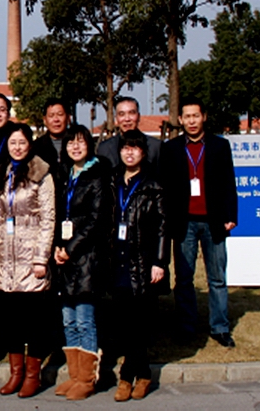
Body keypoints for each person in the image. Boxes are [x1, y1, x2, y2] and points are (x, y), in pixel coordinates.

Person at [159, 96, 238, 348]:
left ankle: (220, 327)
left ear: (203, 117)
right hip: (184, 223)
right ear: (180, 119)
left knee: (217, 278)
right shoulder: (171, 149)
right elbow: (165, 188)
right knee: (184, 279)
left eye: (196, 116)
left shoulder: (219, 146)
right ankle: (186, 326)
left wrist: (231, 216)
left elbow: (229, 183)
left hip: (214, 221)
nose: (192, 121)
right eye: (187, 117)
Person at [0, 123, 55, 398]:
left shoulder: (42, 173)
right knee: (11, 321)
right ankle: (15, 373)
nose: (17, 147)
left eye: (22, 142)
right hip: (7, 259)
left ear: (30, 144)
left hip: (31, 258)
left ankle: (32, 375)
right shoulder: (4, 172)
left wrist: (41, 258)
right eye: (13, 143)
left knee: (34, 321)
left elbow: (48, 218)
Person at [53, 125, 112, 401]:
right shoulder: (65, 174)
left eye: (80, 142)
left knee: (84, 318)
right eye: (70, 143)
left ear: (89, 145)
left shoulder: (97, 175)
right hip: (65, 256)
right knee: (68, 318)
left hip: (87, 256)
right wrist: (58, 247)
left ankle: (88, 378)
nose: (75, 147)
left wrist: (70, 248)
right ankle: (75, 375)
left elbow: (96, 220)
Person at [110, 130, 168, 402]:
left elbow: (163, 226)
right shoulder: (113, 181)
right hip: (118, 260)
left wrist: (160, 261)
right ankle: (143, 374)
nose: (129, 152)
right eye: (125, 148)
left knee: (140, 322)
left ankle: (126, 376)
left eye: (135, 148)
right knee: (124, 322)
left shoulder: (153, 184)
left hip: (142, 261)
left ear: (143, 153)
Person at [97, 96, 161, 174]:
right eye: (121, 114)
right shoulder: (104, 148)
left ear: (138, 116)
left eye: (131, 113)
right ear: (116, 118)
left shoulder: (155, 146)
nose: (127, 119)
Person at [33, 98, 71, 174]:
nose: (56, 119)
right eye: (51, 116)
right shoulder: (36, 147)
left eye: (60, 114)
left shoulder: (77, 145)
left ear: (68, 118)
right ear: (45, 120)